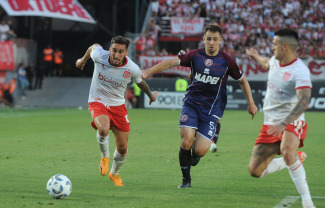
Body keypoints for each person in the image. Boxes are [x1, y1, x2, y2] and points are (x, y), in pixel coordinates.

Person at [142, 23, 258, 188]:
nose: (211, 42)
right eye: (208, 38)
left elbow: (242, 81)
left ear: (221, 40)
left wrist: (251, 103)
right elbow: (170, 63)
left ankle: (194, 157)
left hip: (210, 111)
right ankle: (186, 180)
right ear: (203, 39)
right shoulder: (195, 55)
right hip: (191, 105)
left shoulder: (227, 61)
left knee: (200, 151)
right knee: (186, 142)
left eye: (215, 39)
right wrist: (148, 72)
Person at [246, 28, 317, 208]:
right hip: (270, 123)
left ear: (285, 46)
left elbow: (304, 102)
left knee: (286, 150)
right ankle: (293, 159)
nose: (272, 47)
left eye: (275, 44)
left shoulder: (300, 70)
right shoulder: (275, 62)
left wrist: (284, 123)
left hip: (292, 119)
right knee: (255, 171)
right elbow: (266, 63)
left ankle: (308, 204)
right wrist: (255, 55)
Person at [76, 36, 158, 186]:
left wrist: (151, 96)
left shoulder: (131, 68)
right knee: (103, 128)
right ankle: (104, 157)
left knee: (122, 148)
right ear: (110, 50)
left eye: (121, 52)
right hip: (97, 100)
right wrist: (83, 60)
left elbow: (141, 83)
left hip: (118, 106)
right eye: (114, 50)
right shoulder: (100, 56)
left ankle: (114, 174)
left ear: (126, 52)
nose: (116, 55)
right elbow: (93, 45)